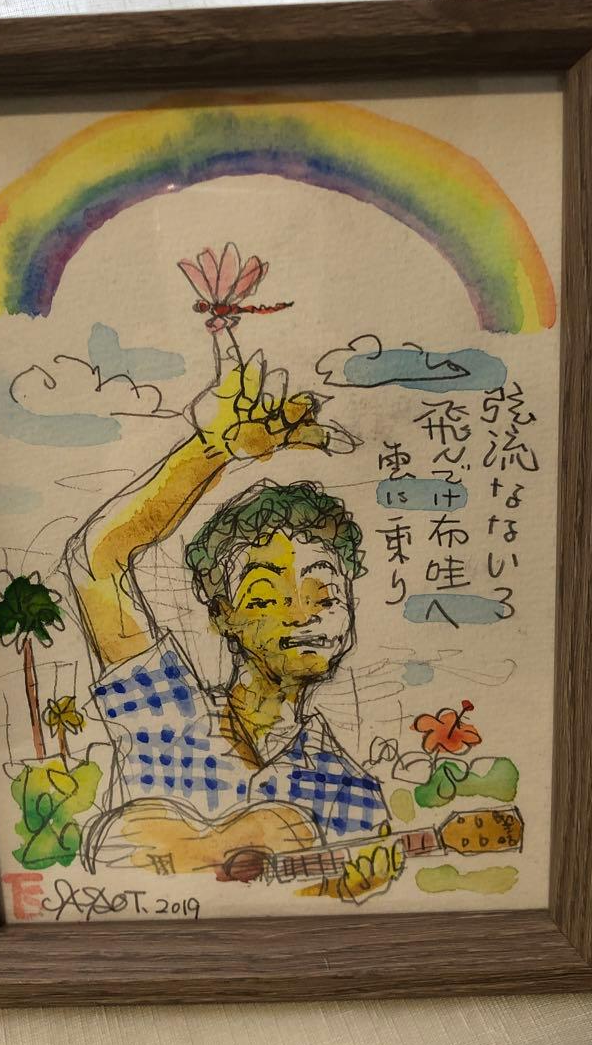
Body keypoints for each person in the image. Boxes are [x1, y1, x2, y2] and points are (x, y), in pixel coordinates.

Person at [66, 350, 401, 897]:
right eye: (267, 594)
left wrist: (347, 894)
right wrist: (216, 449)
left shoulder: (353, 794)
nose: (303, 613)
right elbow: (98, 561)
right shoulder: (166, 712)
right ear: (223, 615)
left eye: (325, 592)